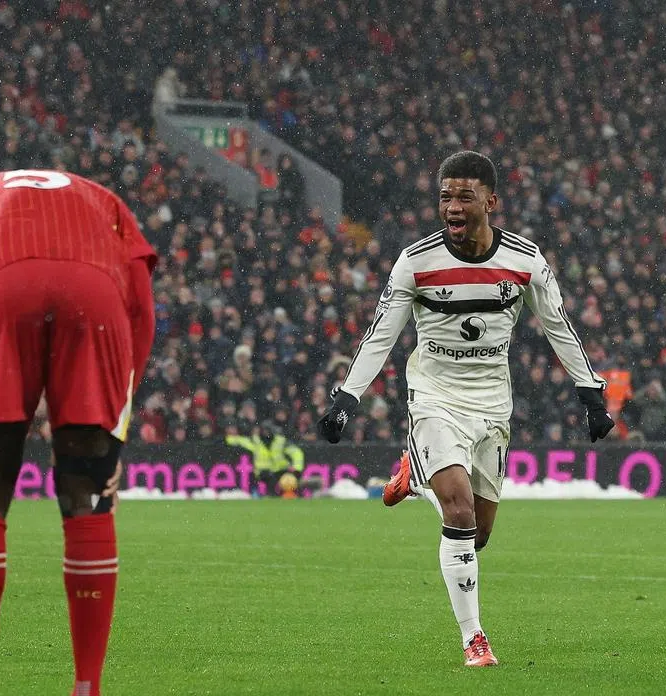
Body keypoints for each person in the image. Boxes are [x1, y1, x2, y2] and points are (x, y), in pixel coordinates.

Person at [317, 151, 614, 667]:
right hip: (433, 397)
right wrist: (347, 397)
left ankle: (415, 479)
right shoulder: (416, 261)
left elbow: (558, 325)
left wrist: (590, 392)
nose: (452, 207)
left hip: (492, 404)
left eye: (463, 197)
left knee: (478, 533)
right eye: (445, 197)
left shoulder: (524, 261)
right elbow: (380, 335)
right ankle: (474, 638)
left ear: (491, 202)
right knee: (457, 510)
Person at [0, 169, 157, 696]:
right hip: (96, 297)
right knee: (88, 500)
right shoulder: (105, 201)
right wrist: (115, 426)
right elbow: (140, 303)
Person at [225, 422, 306, 497]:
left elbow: (297, 453)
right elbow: (239, 440)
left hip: (281, 471)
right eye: (264, 430)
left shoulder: (281, 441)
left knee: (289, 480)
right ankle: (273, 496)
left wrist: (296, 468)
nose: (266, 433)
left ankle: (291, 496)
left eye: (268, 430)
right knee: (270, 479)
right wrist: (225, 438)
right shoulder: (255, 441)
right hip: (263, 473)